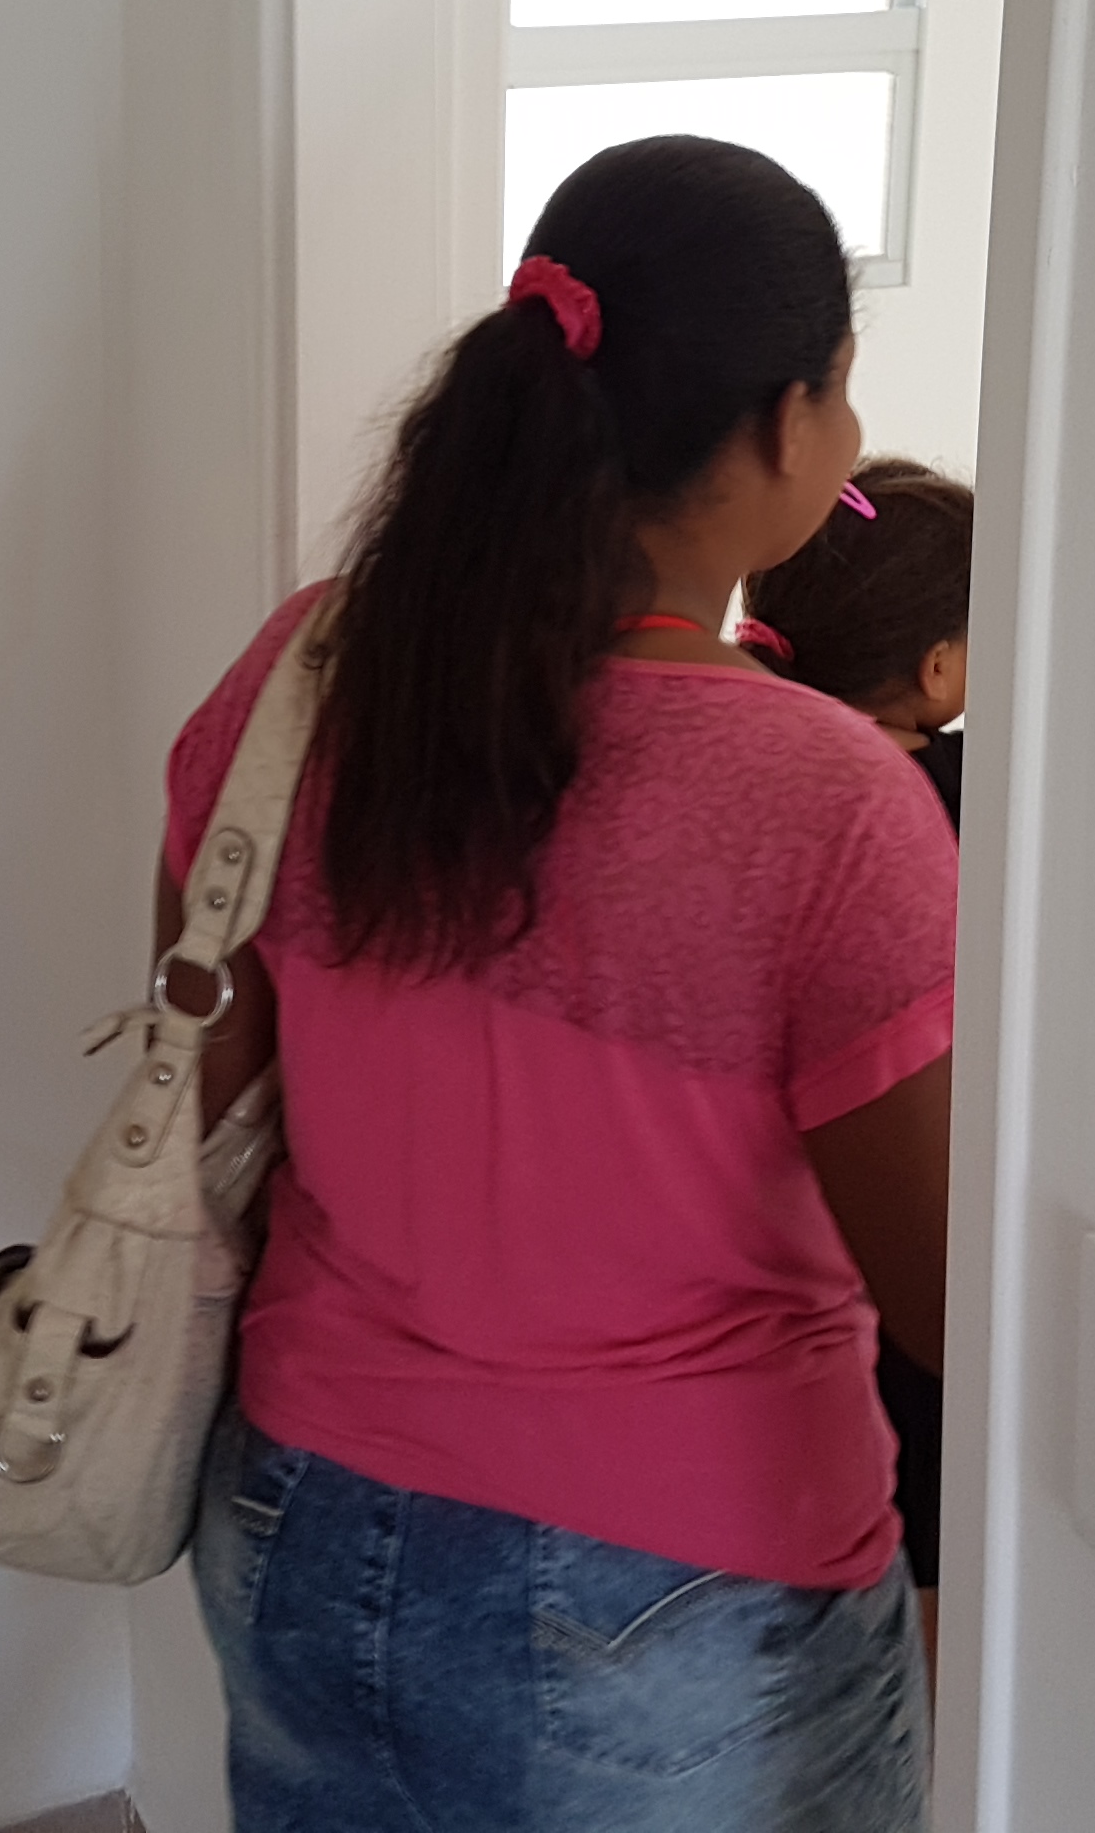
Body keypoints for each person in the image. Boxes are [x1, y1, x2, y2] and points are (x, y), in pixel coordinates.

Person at [158, 136, 954, 1833]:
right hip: (678, 1590)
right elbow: (946, 1298)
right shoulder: (831, 798)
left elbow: (204, 1080)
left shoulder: (305, 673)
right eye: (839, 387)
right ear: (785, 422)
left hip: (304, 1516)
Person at [741, 459, 977, 1660]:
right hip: (911, 1239)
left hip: (768, 1244)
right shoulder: (957, 795)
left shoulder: (739, 771)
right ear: (938, 670)